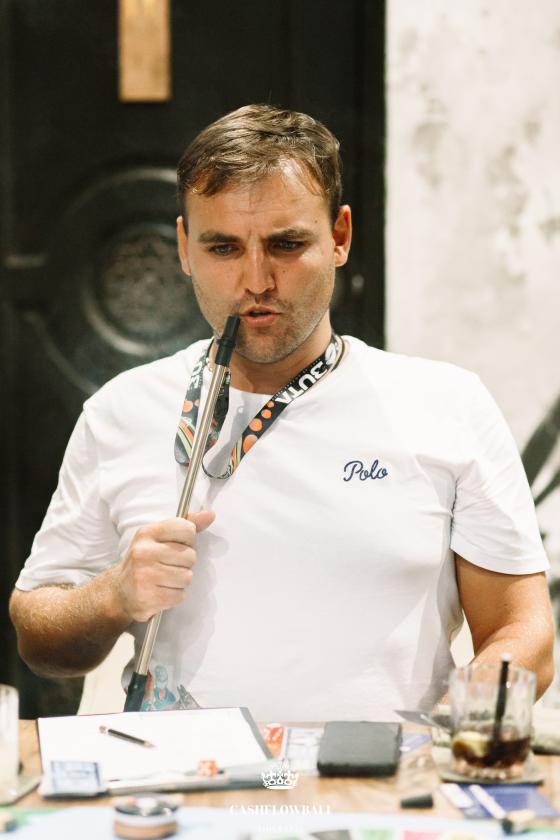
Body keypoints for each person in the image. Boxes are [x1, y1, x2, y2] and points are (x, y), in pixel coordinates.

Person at [9, 105, 554, 720]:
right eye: (223, 247)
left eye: (286, 244)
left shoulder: (447, 404)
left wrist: (468, 708)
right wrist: (114, 595)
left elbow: (523, 631)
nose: (256, 280)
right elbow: (38, 636)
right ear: (184, 247)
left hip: (384, 771)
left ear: (339, 237)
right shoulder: (121, 410)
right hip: (183, 773)